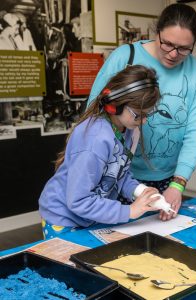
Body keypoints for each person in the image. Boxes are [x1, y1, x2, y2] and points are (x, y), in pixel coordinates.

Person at [87, 3, 196, 221]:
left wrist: (178, 184)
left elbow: (195, 134)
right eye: (168, 44)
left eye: (184, 49)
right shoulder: (125, 57)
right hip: (118, 173)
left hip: (167, 178)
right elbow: (94, 112)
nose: (174, 54)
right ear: (157, 32)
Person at [39, 65, 161, 239]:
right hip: (63, 218)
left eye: (148, 114)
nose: (143, 121)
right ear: (114, 105)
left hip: (89, 216)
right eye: (138, 115)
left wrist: (140, 191)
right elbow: (78, 200)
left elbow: (118, 173)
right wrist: (130, 211)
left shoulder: (129, 129)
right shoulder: (95, 139)